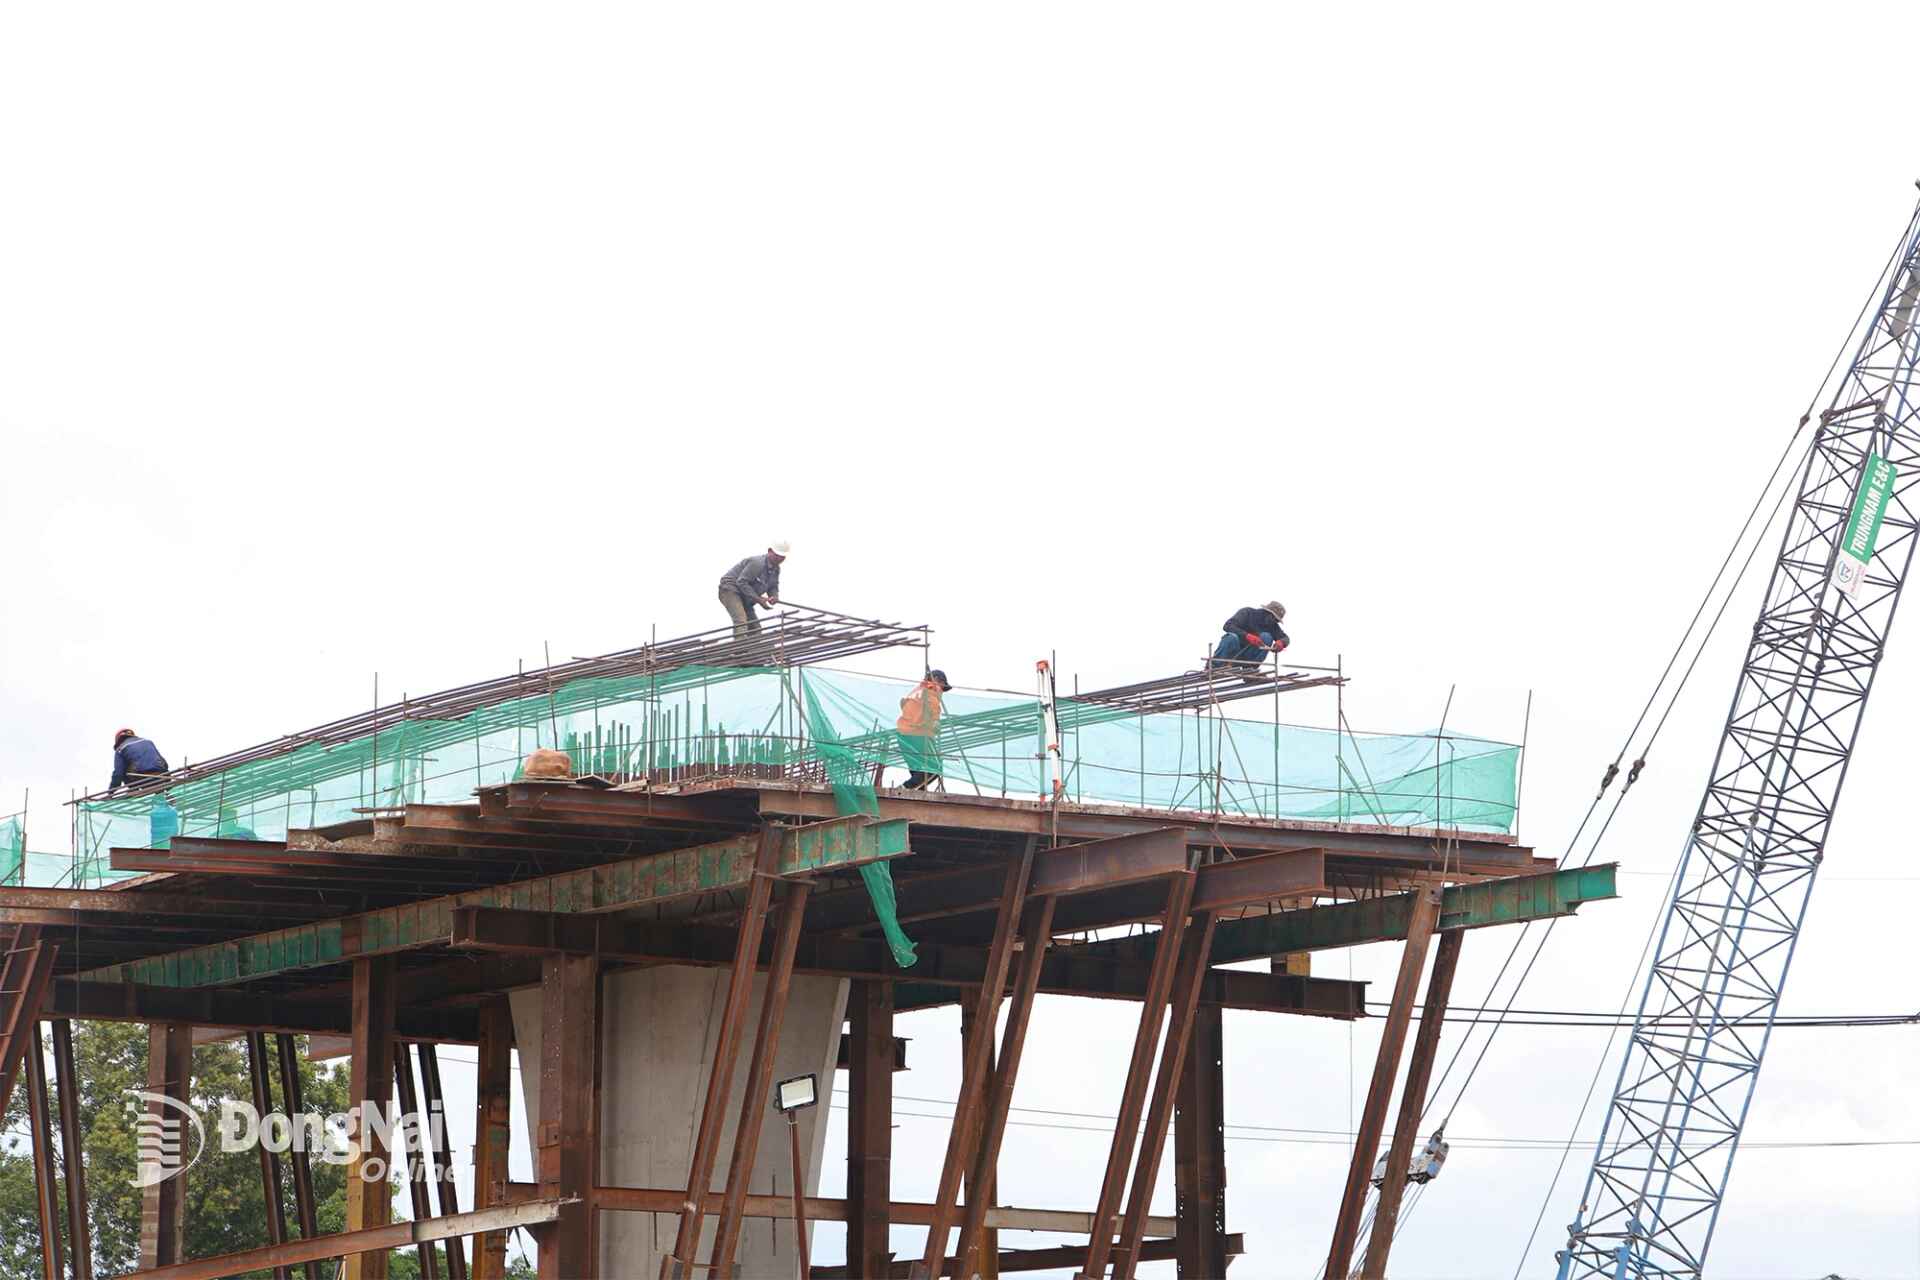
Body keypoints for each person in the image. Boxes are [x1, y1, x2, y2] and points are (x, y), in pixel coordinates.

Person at [718, 541, 790, 639]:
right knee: (741, 621)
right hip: (730, 591)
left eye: (782, 557)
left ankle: (751, 651)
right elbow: (741, 582)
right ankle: (739, 651)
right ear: (770, 551)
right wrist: (759, 599)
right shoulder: (757, 563)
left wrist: (774, 596)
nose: (780, 559)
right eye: (777, 555)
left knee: (755, 629)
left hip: (746, 597)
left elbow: (773, 586)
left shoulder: (776, 569)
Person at [895, 669, 952, 790]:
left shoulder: (916, 692)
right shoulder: (931, 692)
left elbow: (904, 705)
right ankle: (904, 788)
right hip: (918, 735)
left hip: (903, 735)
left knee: (918, 770)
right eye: (942, 686)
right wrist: (936, 724)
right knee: (934, 768)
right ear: (936, 680)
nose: (942, 691)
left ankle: (916, 790)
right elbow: (933, 714)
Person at [1211, 601, 1290, 670]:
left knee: (1267, 637)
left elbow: (1285, 638)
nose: (1275, 622)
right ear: (1268, 613)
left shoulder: (1272, 625)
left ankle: (1250, 669)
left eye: (1277, 620)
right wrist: (1247, 635)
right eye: (1275, 619)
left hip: (1246, 657)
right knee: (1232, 638)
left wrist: (1281, 642)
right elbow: (1228, 626)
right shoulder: (1247, 613)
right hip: (1230, 653)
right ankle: (1214, 666)